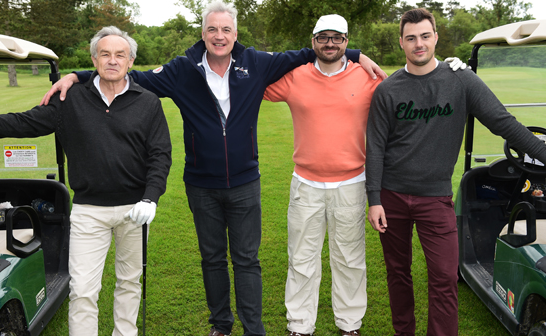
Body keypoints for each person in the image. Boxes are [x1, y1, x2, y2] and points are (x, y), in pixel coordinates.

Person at [39, 2, 386, 336]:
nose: (219, 35)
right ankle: (221, 324)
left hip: (246, 181)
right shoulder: (181, 69)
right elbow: (132, 76)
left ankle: (254, 329)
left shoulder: (257, 63)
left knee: (247, 260)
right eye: (212, 29)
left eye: (226, 29)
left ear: (235, 34)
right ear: (203, 34)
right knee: (212, 259)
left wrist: (355, 54)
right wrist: (76, 75)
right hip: (201, 183)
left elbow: (314, 51)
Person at [0, 26, 172, 336]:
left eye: (120, 55)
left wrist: (151, 197)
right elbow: (19, 123)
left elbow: (160, 155)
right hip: (90, 211)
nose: (112, 60)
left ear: (130, 61)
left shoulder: (148, 103)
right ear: (94, 59)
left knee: (129, 281)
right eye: (105, 54)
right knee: (84, 289)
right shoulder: (69, 98)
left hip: (134, 208)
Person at [365, 8, 546, 336]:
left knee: (445, 279)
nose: (418, 44)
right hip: (391, 197)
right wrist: (374, 198)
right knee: (398, 274)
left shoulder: (461, 80)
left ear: (435, 36)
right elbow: (375, 147)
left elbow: (503, 122)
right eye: (411, 38)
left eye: (424, 36)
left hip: (435, 199)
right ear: (402, 43)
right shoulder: (388, 91)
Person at [263, 14, 381, 336]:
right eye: (323, 37)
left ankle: (349, 325)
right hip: (306, 184)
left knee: (349, 259)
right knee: (301, 259)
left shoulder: (366, 76)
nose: (330, 43)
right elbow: (252, 78)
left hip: (352, 183)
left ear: (346, 41)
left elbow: (406, 90)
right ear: (313, 41)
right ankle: (300, 326)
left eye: (337, 38)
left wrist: (445, 67)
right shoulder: (295, 75)